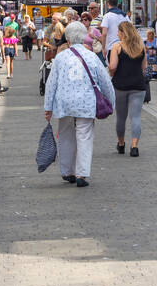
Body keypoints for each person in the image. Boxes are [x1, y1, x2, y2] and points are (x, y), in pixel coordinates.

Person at [42, 20, 114, 187]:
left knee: (66, 135)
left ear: (67, 39)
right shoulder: (92, 57)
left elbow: (51, 83)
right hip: (86, 102)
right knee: (84, 136)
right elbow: (105, 82)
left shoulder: (60, 58)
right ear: (84, 37)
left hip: (64, 102)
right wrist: (111, 101)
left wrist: (48, 107)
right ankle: (82, 174)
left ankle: (67, 171)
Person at [109, 21, 150, 157]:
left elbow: (113, 66)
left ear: (122, 32)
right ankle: (134, 146)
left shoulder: (117, 47)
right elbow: (144, 68)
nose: (117, 34)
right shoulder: (141, 47)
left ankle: (121, 144)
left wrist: (111, 73)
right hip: (138, 85)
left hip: (120, 85)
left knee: (121, 117)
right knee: (136, 117)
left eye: (118, 31)